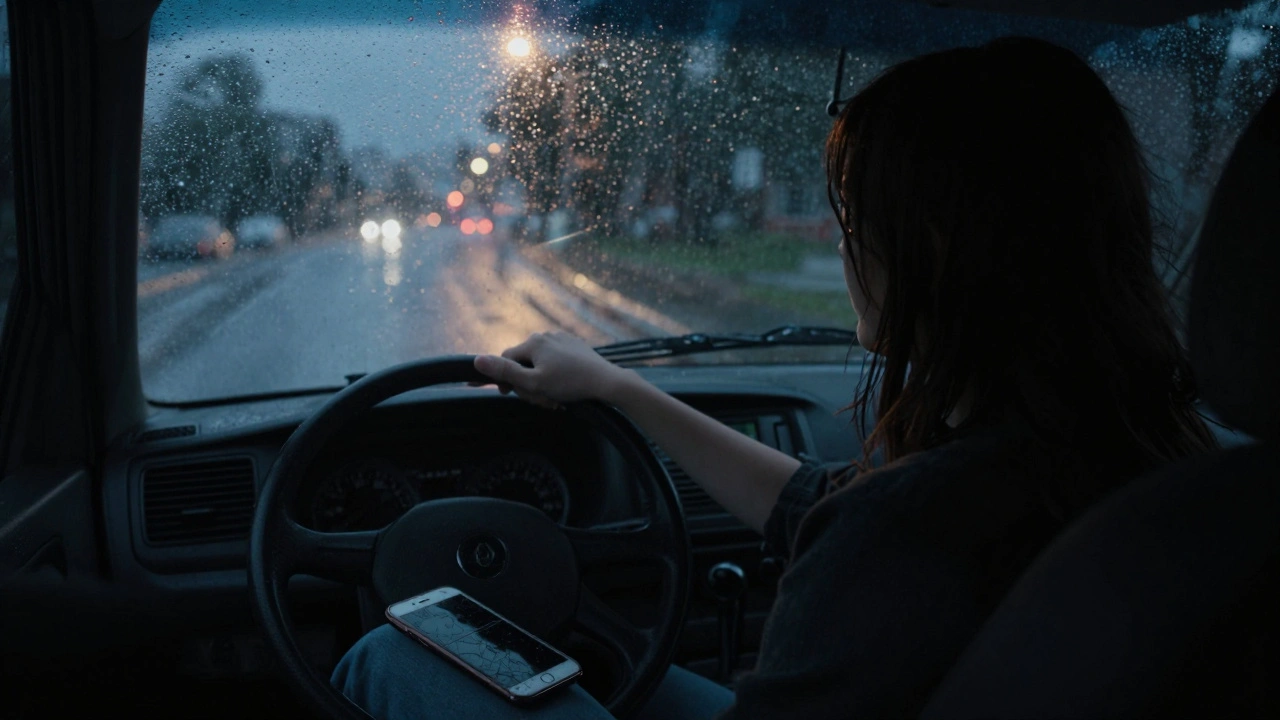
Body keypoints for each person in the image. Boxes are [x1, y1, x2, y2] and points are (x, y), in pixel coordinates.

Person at [331, 37, 1217, 719]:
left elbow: (858, 524)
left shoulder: (908, 527)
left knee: (393, 658)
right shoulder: (1156, 455)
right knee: (587, 654)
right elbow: (820, 508)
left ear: (939, 247)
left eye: (856, 215)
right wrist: (619, 388)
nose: (842, 243)